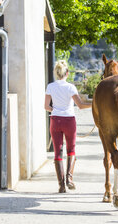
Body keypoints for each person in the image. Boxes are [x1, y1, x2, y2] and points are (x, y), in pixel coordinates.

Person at [44, 60, 92, 193]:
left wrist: (56, 110)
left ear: (56, 73)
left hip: (55, 120)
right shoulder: (71, 87)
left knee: (57, 152)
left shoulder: (50, 86)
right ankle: (69, 179)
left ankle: (61, 186)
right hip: (69, 121)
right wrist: (95, 105)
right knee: (71, 150)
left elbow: (46, 106)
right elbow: (81, 105)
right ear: (67, 73)